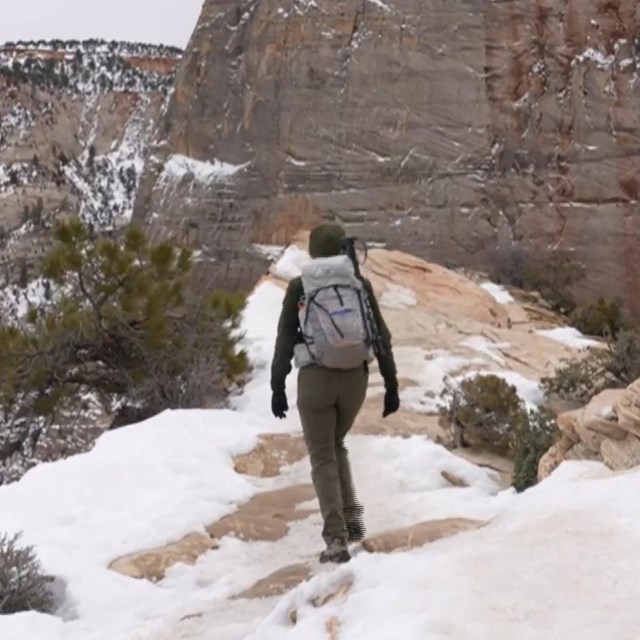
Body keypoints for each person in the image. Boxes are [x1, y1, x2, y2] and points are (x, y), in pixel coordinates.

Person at [270, 223, 399, 563]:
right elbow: (381, 335)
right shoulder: (358, 284)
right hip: (354, 381)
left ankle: (336, 541)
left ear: (313, 251)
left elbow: (285, 340)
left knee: (323, 456)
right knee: (335, 444)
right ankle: (353, 523)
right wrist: (391, 384)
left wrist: (277, 386)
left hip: (316, 381)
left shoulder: (301, 285)